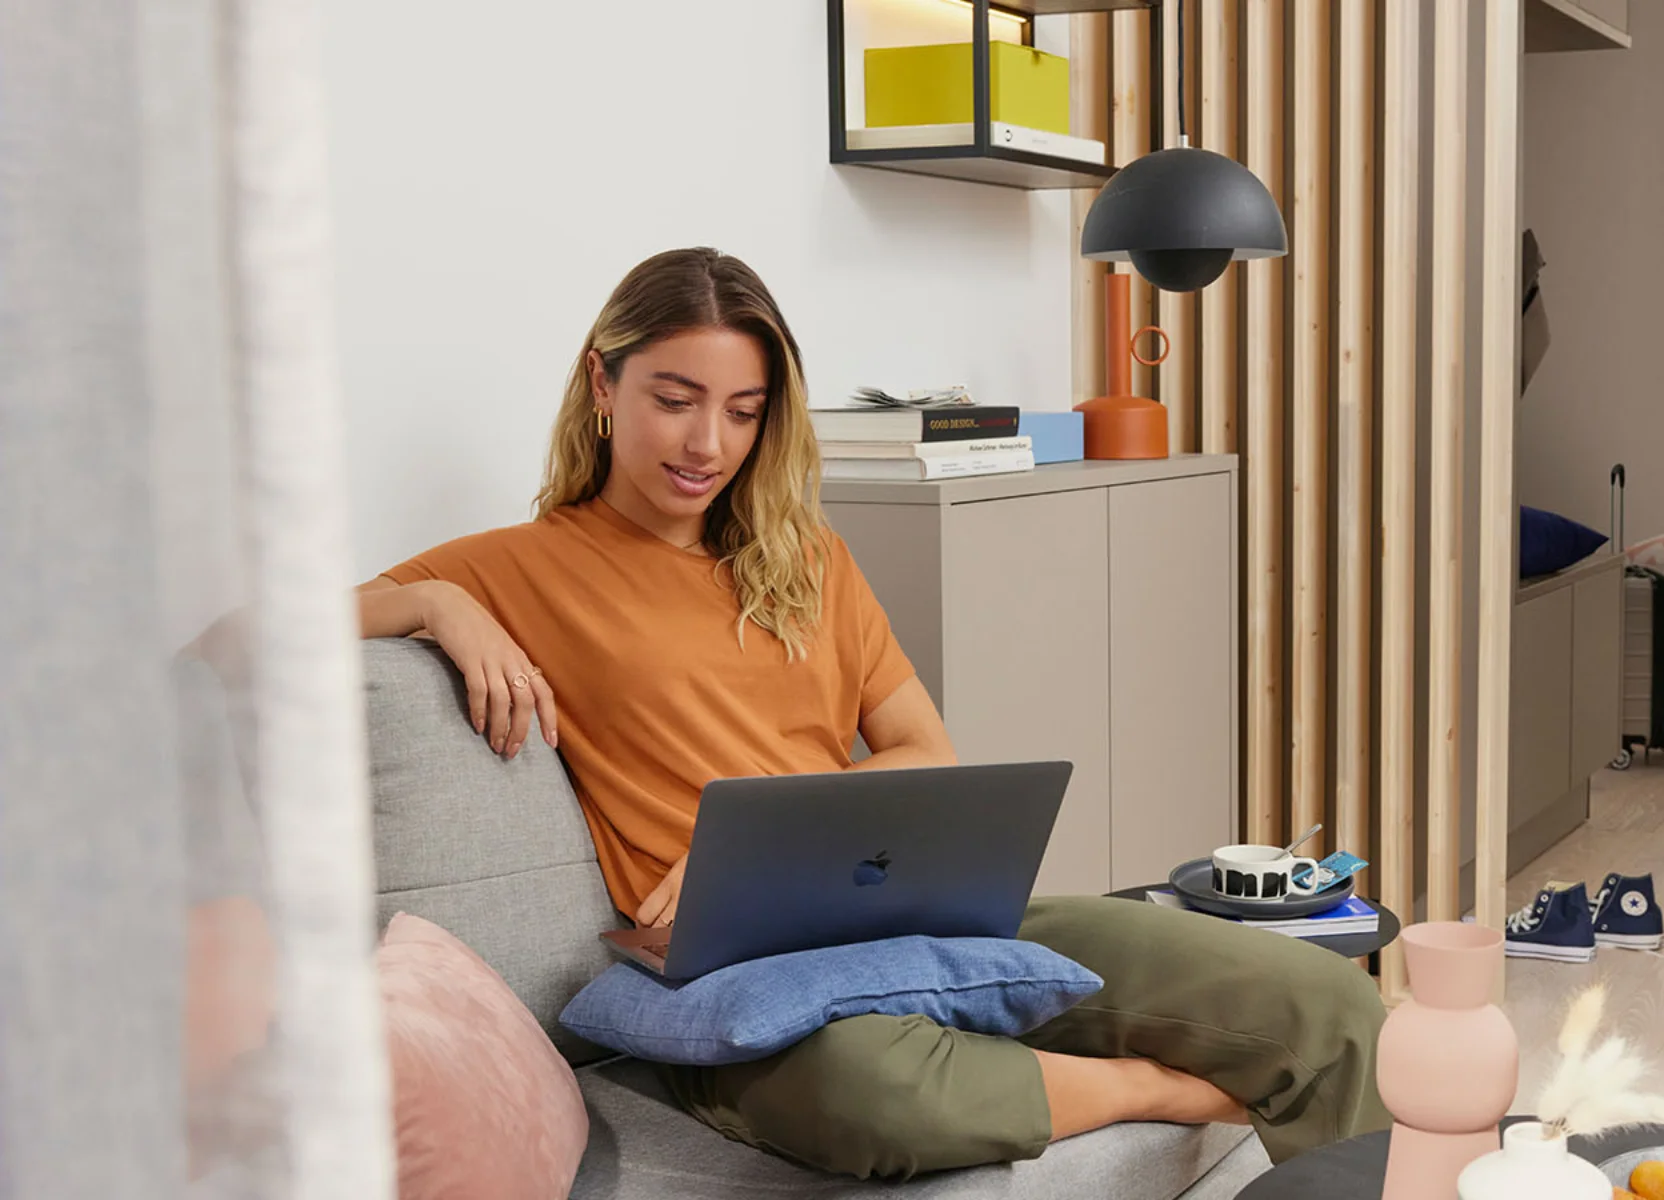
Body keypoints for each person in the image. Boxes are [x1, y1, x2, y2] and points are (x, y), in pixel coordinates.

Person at [355, 247, 1389, 1180]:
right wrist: (435, 603)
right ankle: (1158, 1090)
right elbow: (270, 625)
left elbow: (921, 749)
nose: (708, 442)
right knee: (881, 1095)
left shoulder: (810, 559)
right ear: (601, 384)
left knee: (1329, 1004)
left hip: (911, 921)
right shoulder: (522, 566)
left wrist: (772, 838)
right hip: (737, 984)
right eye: (674, 399)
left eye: (745, 410)